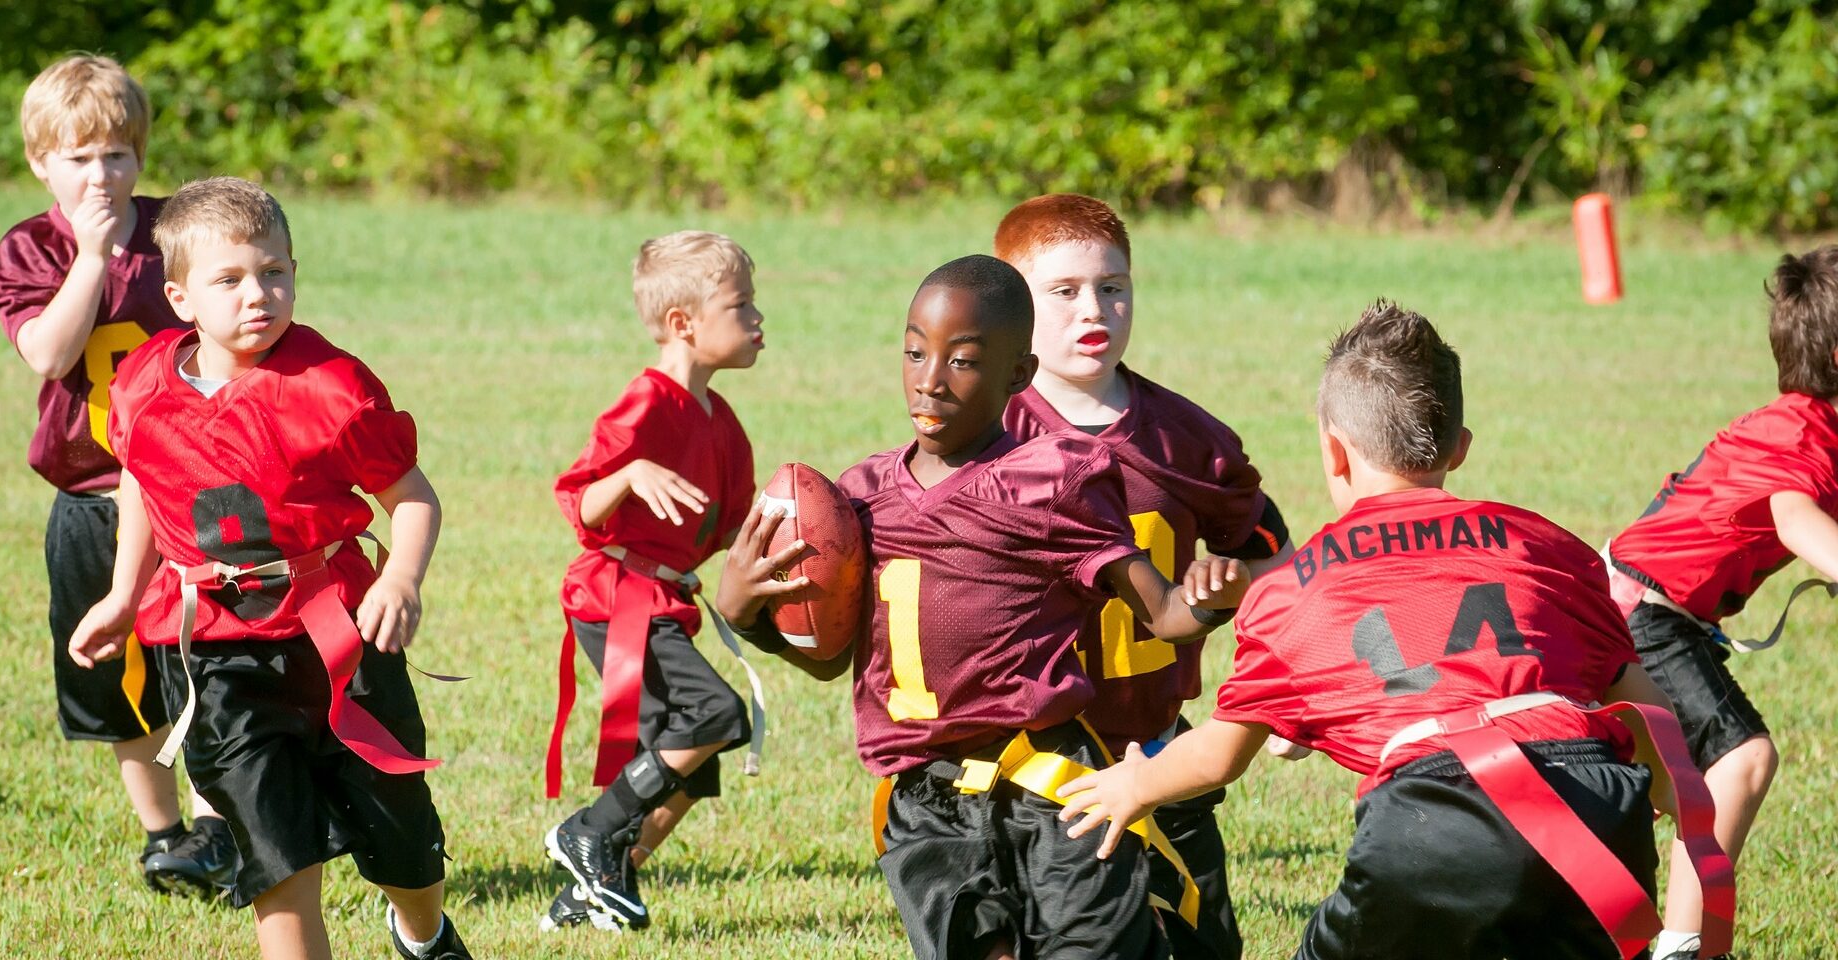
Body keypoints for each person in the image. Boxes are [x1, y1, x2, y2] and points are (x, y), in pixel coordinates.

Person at [1058, 302, 1734, 960]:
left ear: (1334, 454)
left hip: (1431, 817)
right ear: (1459, 450)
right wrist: (1680, 814)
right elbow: (1654, 721)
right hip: (1591, 812)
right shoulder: (1550, 546)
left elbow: (1217, 757)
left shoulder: (1293, 591)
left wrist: (1133, 785)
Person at [717, 254, 1247, 960]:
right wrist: (747, 611)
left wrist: (1208, 601)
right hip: (924, 804)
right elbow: (832, 663)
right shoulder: (862, 496)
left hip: (1050, 784)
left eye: (962, 361)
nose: (929, 379)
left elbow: (1162, 614)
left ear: (1018, 377)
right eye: (914, 351)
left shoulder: (1052, 481)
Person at [67, 177, 470, 959]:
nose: (259, 294)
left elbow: (414, 499)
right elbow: (144, 482)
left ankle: (423, 935)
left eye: (275, 271)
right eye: (230, 279)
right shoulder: (144, 381)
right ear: (180, 298)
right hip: (218, 653)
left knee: (403, 842)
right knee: (275, 864)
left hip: (339, 642)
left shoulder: (332, 386)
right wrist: (123, 594)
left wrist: (401, 578)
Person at [996, 193, 1293, 959]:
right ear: (1009, 304)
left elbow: (1278, 562)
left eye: (1113, 286)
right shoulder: (987, 434)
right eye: (1062, 292)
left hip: (1160, 747)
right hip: (1036, 761)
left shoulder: (1190, 439)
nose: (1093, 308)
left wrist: (1229, 583)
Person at [0, 53, 232, 897]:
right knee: (117, 675)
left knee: (206, 665)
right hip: (91, 497)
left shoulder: (179, 235)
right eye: (79, 158)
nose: (101, 175)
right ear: (40, 161)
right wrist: (91, 258)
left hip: (190, 496)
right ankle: (165, 835)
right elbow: (50, 355)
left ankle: (221, 826)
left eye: (117, 155)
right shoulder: (29, 248)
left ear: (141, 155)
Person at [1605, 245, 1838, 960]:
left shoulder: (1801, 423)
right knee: (1739, 763)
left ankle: (1652, 937)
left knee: (1668, 793)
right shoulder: (1800, 436)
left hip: (1639, 607)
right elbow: (1797, 520)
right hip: (1643, 614)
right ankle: (1680, 949)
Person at [542, 231, 766, 933]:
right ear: (684, 324)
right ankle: (589, 832)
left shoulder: (722, 423)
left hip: (665, 602)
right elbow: (578, 504)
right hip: (616, 601)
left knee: (691, 766)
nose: (760, 320)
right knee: (714, 716)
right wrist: (629, 473)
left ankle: (592, 893)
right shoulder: (645, 403)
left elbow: (732, 531)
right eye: (742, 306)